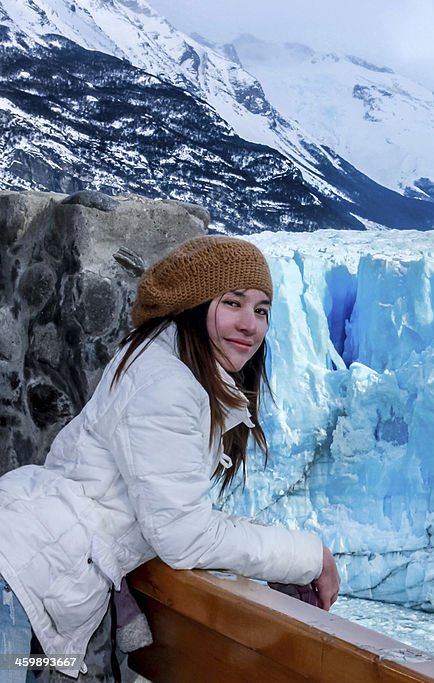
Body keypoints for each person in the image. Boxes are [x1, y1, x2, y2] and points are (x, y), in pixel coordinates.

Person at [0, 236, 340, 680]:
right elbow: (185, 537)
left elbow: (167, 509)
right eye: (233, 303)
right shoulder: (167, 385)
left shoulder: (162, 362)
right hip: (17, 581)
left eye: (260, 310)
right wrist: (310, 556)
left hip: (28, 567)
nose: (250, 325)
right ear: (194, 305)